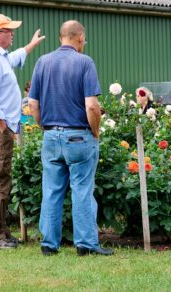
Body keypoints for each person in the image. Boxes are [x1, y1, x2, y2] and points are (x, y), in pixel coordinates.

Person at [28, 20, 113, 257]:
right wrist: (94, 132)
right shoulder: (85, 62)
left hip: (51, 136)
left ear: (60, 37)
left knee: (52, 190)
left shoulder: (42, 62)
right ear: (79, 37)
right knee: (82, 190)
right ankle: (85, 244)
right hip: (78, 136)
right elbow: (92, 107)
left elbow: (33, 104)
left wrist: (45, 127)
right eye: (84, 39)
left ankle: (48, 244)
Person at [0, 13, 45, 250]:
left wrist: (31, 45)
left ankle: (2, 232)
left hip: (1, 129)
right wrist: (3, 127)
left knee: (3, 179)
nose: (13, 34)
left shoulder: (1, 56)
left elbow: (15, 58)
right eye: (9, 31)